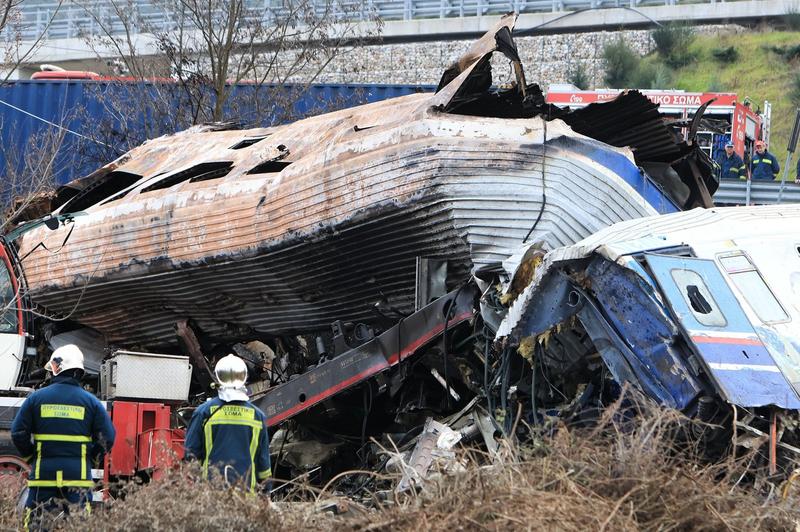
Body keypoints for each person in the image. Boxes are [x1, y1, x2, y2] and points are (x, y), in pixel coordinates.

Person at [11, 344, 116, 530]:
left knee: (35, 523)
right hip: (78, 476)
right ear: (79, 372)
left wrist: (31, 456)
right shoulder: (91, 402)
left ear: (56, 369)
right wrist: (91, 458)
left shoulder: (36, 399)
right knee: (79, 524)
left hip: (44, 473)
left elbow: (18, 432)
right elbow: (108, 436)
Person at [184, 354, 271, 494]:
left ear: (218, 378)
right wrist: (265, 495)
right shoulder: (257, 416)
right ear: (244, 378)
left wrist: (196, 490)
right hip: (247, 500)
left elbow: (191, 455)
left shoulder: (204, 413)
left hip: (212, 499)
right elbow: (264, 466)